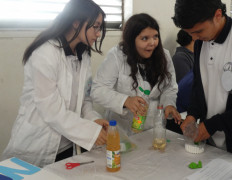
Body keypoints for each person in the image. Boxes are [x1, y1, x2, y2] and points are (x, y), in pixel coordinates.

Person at [1, 0, 108, 167]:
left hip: (67, 145)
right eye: (95, 26)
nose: (98, 33)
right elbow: (51, 110)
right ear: (76, 22)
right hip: (36, 145)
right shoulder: (45, 53)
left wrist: (93, 119)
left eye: (100, 28)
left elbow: (85, 99)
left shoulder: (83, 55)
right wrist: (89, 132)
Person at [172, 0, 232, 157]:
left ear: (217, 15)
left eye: (198, 31)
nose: (195, 38)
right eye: (190, 34)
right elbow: (200, 86)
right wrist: (192, 114)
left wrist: (212, 125)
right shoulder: (200, 42)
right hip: (210, 141)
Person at [91, 13, 181, 136]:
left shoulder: (164, 56)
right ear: (131, 39)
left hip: (152, 128)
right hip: (122, 130)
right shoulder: (116, 56)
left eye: (155, 37)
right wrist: (125, 101)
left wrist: (169, 104)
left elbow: (169, 88)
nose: (152, 43)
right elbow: (97, 90)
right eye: (145, 38)